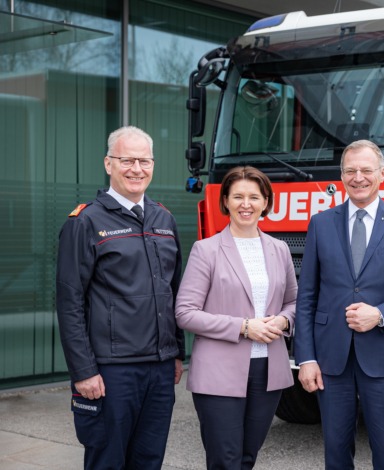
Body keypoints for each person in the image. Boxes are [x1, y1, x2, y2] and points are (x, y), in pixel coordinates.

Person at [294, 139, 384, 470]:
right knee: (336, 452)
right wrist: (306, 358)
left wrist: (381, 314)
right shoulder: (321, 223)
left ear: (382, 174)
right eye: (350, 170)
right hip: (331, 359)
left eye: (366, 170)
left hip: (383, 357)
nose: (359, 177)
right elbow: (307, 295)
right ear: (341, 175)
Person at [55, 125, 184, 469]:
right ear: (108, 164)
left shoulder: (164, 219)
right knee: (107, 461)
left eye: (144, 161)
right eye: (127, 160)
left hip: (158, 369)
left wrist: (176, 352)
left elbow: (173, 291)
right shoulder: (85, 222)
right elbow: (70, 304)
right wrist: (83, 371)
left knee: (149, 459)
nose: (136, 169)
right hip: (111, 371)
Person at [175, 166, 297, 469]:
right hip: (219, 372)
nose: (246, 204)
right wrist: (243, 327)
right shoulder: (207, 250)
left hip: (268, 370)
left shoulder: (279, 249)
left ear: (266, 202)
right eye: (238, 196)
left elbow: (295, 302)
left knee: (246, 457)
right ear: (225, 201)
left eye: (254, 197)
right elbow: (185, 313)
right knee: (225, 460)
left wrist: (283, 321)